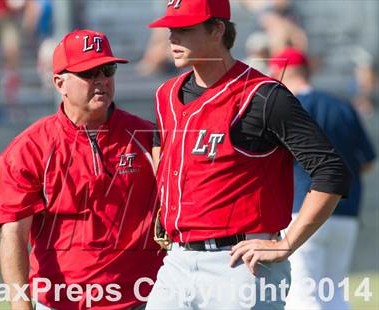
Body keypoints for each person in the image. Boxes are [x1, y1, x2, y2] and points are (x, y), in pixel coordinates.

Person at [146, 0, 350, 309]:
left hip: (241, 263)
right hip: (178, 260)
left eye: (184, 30)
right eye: (171, 29)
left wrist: (287, 243)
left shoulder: (263, 95)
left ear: (217, 30)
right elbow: (162, 149)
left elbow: (331, 171)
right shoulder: (166, 95)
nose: (172, 39)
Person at [0, 29, 164, 310]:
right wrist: (20, 303)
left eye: (108, 69)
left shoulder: (147, 136)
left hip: (141, 298)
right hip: (61, 302)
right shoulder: (29, 148)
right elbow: (13, 234)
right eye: (89, 73)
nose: (102, 81)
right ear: (60, 83)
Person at [269, 47, 376, 310]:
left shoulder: (286, 106)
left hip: (302, 210)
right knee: (334, 293)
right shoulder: (342, 106)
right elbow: (368, 162)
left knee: (302, 293)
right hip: (346, 212)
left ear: (279, 72)